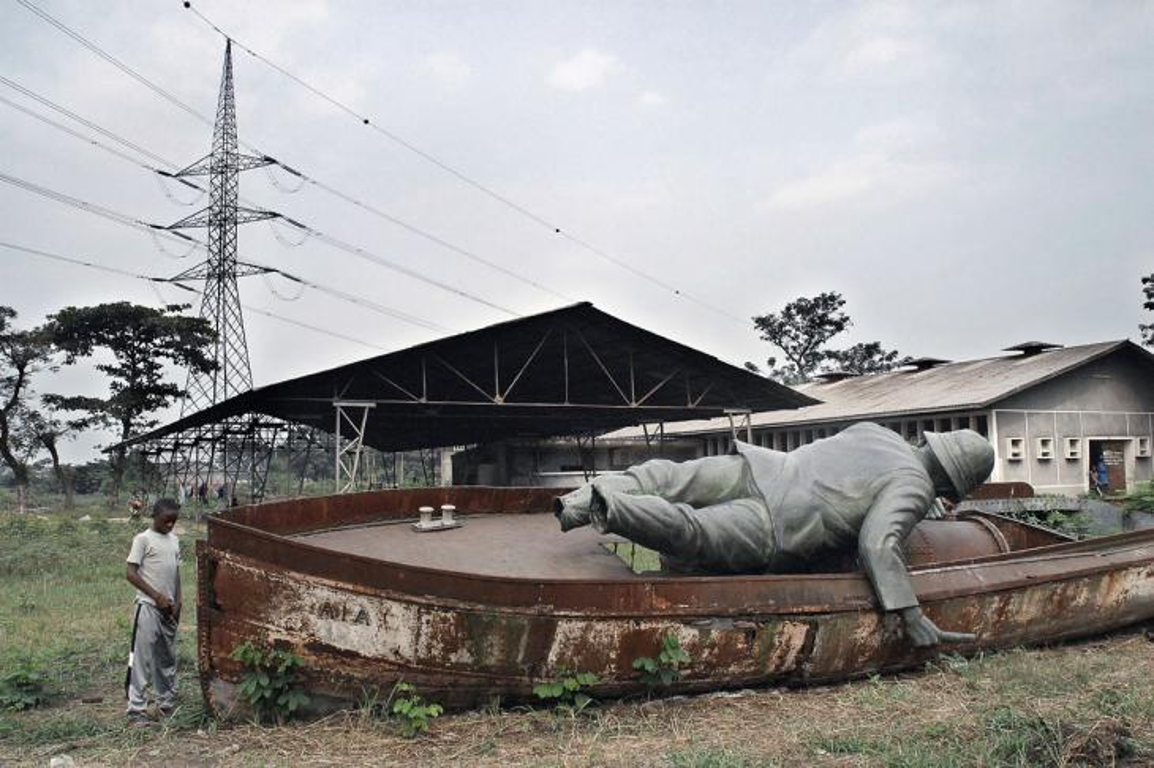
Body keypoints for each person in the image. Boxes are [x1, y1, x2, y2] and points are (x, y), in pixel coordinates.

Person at [555, 422, 995, 648]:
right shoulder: (914, 487)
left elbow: (862, 481)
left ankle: (582, 498)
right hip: (779, 525)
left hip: (761, 467)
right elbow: (877, 543)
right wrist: (911, 615)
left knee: (668, 476)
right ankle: (609, 509)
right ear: (951, 484)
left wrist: (918, 504)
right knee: (693, 532)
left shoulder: (876, 433)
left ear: (931, 444)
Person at [124, 497, 182, 724]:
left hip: (168, 610)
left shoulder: (174, 541)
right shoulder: (143, 539)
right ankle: (136, 709)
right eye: (166, 521)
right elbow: (130, 573)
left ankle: (166, 703)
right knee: (141, 658)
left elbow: (176, 575)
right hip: (148, 607)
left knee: (166, 658)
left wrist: (178, 603)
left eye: (174, 522)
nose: (170, 525)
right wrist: (156, 596)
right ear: (155, 516)